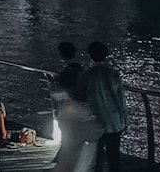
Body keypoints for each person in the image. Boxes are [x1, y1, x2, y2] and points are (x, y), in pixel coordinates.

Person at [77, 41, 128, 172]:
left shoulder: (87, 76)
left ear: (90, 56)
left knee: (97, 157)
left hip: (97, 122)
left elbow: (80, 97)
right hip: (115, 122)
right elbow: (121, 99)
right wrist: (125, 121)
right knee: (114, 156)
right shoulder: (113, 74)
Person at [52, 41, 94, 172]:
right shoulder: (81, 69)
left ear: (61, 55)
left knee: (69, 139)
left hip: (71, 110)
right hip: (81, 108)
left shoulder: (68, 73)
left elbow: (67, 90)